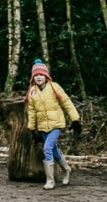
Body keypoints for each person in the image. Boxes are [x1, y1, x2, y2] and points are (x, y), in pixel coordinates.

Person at [25, 57, 82, 190]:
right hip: (43, 126)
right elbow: (32, 111)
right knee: (53, 150)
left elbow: (66, 103)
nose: (39, 77)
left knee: (47, 148)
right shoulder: (32, 91)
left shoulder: (54, 87)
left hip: (56, 124)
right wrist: (32, 129)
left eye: (41, 74)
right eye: (36, 75)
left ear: (46, 76)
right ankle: (67, 169)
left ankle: (50, 181)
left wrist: (75, 119)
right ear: (33, 77)